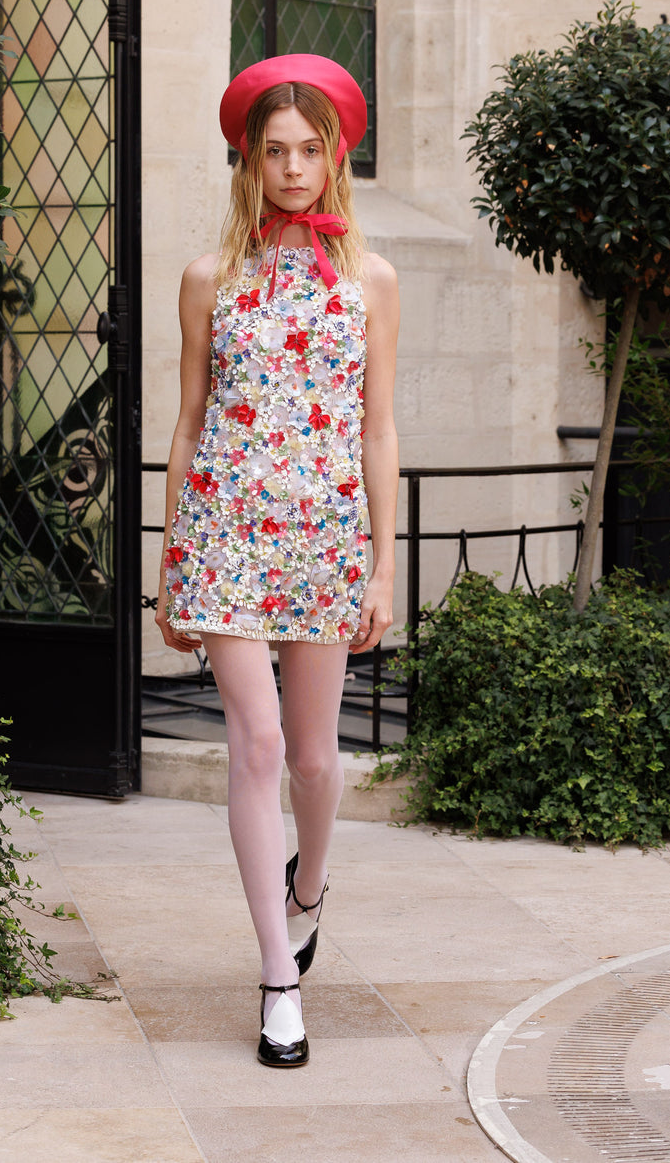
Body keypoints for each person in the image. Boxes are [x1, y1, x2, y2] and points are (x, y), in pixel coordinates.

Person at [155, 54, 399, 1068]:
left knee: (314, 760)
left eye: (309, 151)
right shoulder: (208, 279)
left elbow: (378, 430)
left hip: (325, 542)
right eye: (274, 152)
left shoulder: (371, 281)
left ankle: (309, 886)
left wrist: (383, 567)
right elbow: (188, 424)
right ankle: (276, 976)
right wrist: (171, 560)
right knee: (254, 747)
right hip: (224, 538)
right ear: (248, 162)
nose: (293, 169)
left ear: (333, 158)